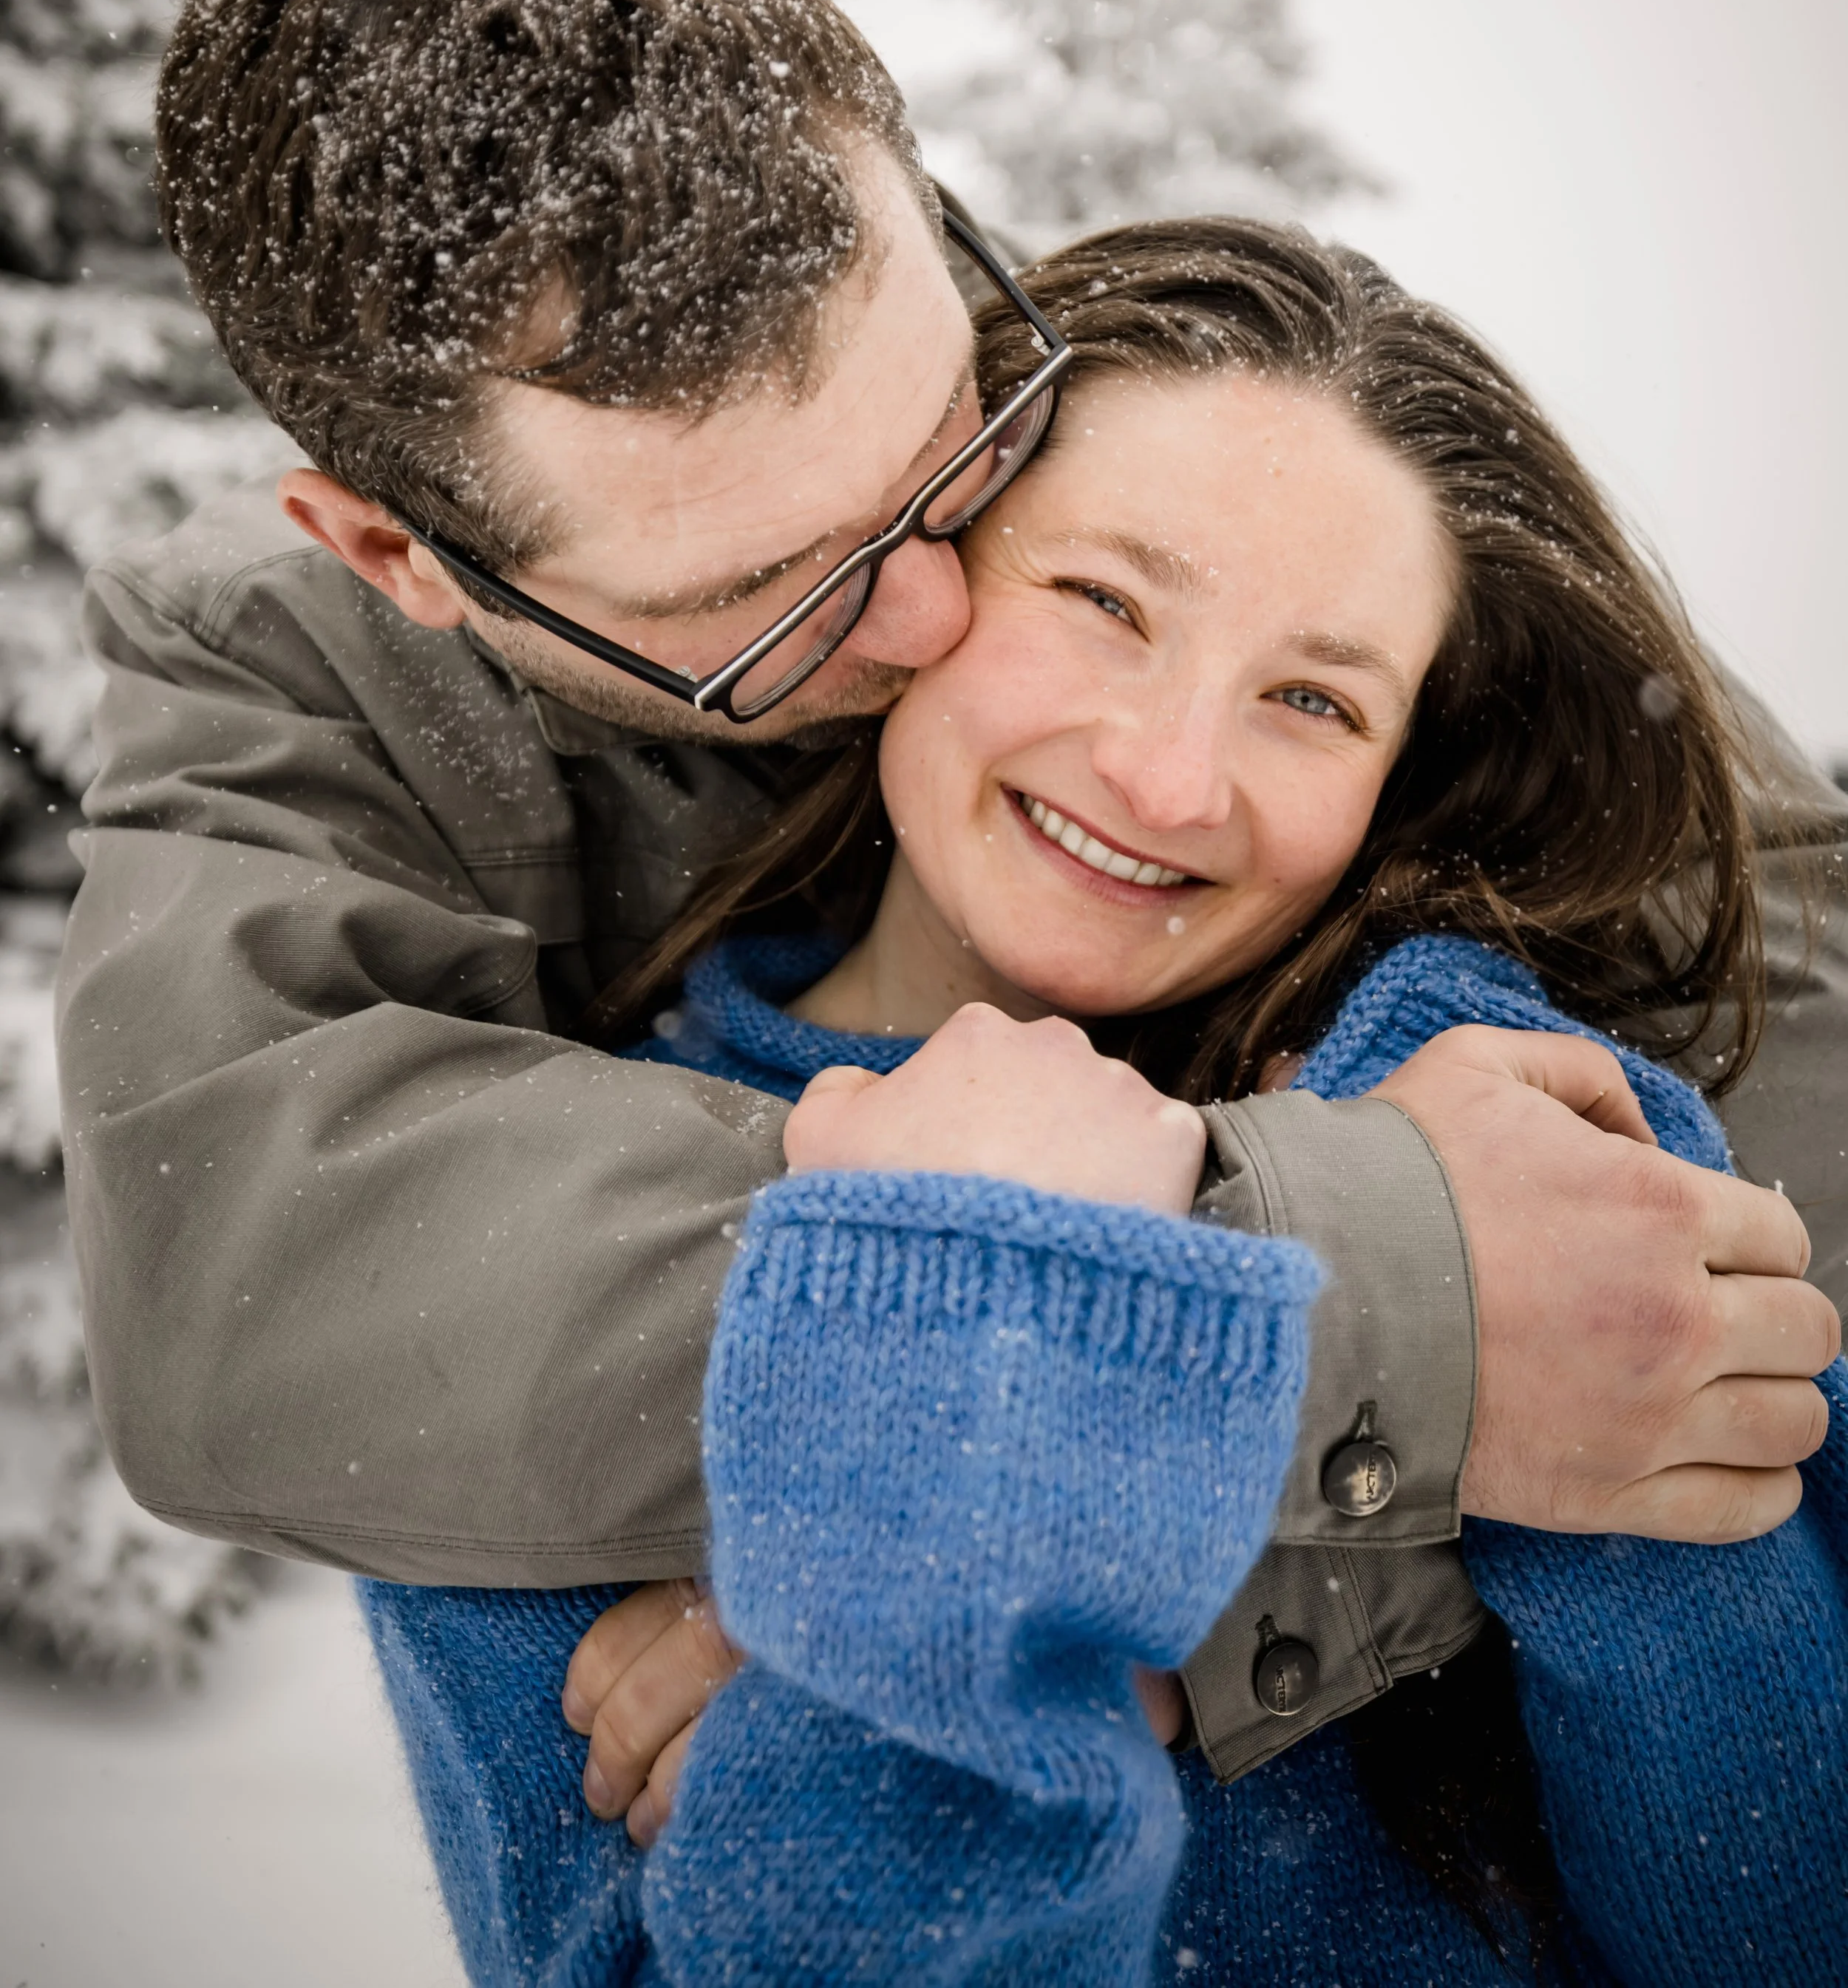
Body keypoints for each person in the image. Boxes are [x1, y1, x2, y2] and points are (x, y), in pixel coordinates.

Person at [57, 0, 1847, 1774]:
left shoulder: (1136, 391)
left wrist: (1211, 1582)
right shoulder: (289, 690)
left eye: (947, 442)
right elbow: (260, 1296)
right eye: (762, 594)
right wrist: (1314, 1325)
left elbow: (1774, 984)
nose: (922, 604)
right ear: (402, 559)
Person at [363, 218, 1846, 1985]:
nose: (1165, 774)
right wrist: (995, 1543)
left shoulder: (1525, 1123)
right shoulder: (544, 1230)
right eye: (1101, 601)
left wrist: (1506, 1409)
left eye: (1310, 696)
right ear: (904, 575)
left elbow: (1774, 1918)